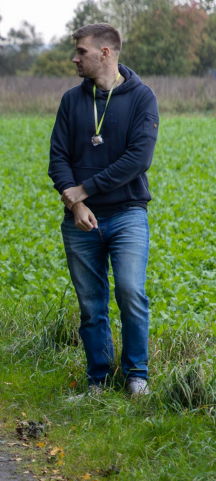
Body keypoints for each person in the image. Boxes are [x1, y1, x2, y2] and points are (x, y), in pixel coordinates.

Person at [48, 23, 159, 397]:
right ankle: (98, 380)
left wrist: (85, 188)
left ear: (105, 53)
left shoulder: (142, 98)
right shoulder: (71, 100)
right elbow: (57, 158)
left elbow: (138, 159)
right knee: (91, 304)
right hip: (79, 220)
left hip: (128, 214)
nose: (75, 58)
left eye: (81, 51)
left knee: (130, 292)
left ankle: (136, 376)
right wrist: (76, 203)